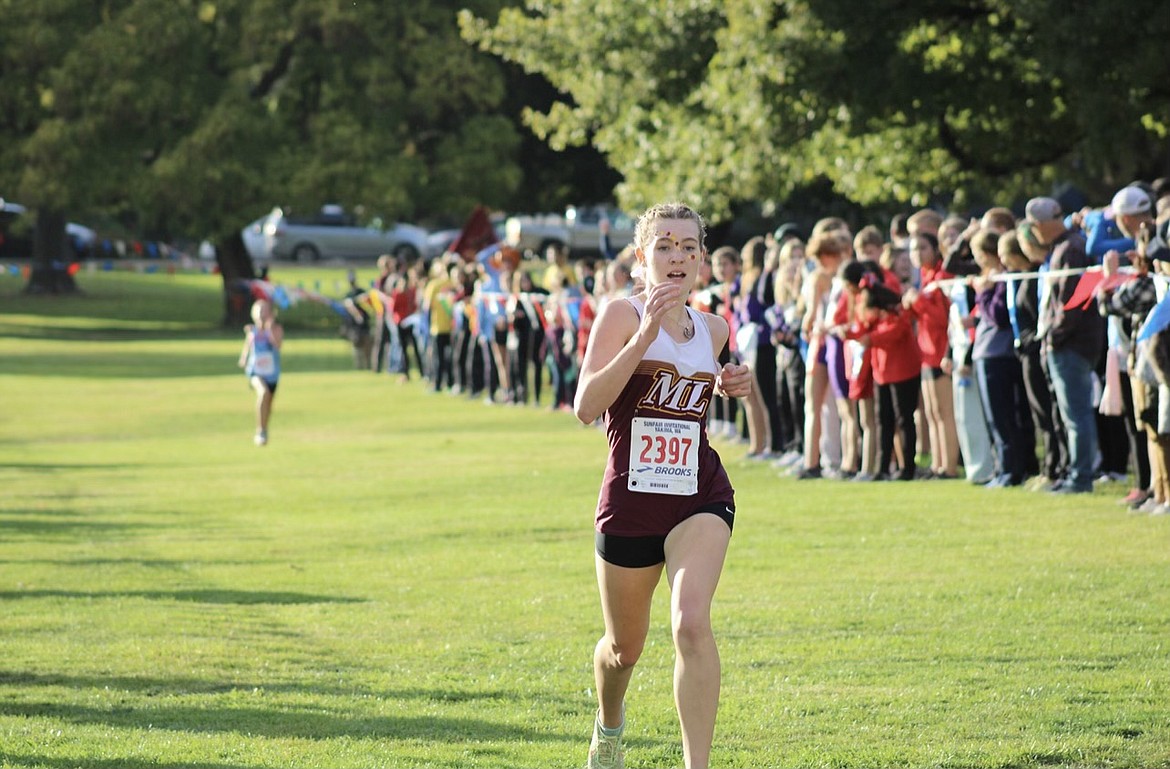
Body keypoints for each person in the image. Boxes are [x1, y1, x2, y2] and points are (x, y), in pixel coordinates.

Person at [574, 202, 752, 769]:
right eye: (665, 245)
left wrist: (730, 385)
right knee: (623, 649)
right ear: (641, 256)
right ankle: (609, 726)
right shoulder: (621, 315)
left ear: (701, 258)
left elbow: (703, 392)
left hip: (699, 494)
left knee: (691, 621)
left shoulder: (716, 328)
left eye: (688, 247)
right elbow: (586, 407)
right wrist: (646, 332)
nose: (677, 256)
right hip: (631, 502)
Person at [1031, 196, 1106, 494]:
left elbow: (1071, 305)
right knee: (1072, 414)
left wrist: (1053, 336)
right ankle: (1075, 472)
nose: (1034, 231)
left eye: (1036, 225)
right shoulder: (1066, 246)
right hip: (1071, 342)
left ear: (1045, 223)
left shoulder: (1070, 249)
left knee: (1076, 415)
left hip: (1072, 344)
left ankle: (1081, 477)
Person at [237, 299, 283, 446]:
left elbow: (278, 345)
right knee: (263, 393)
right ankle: (260, 431)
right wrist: (243, 358)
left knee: (268, 404)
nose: (261, 314)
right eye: (258, 310)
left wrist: (269, 329)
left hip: (272, 373)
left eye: (264, 310)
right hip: (255, 371)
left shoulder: (276, 329)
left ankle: (264, 429)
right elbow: (248, 346)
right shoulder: (252, 331)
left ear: (270, 313)